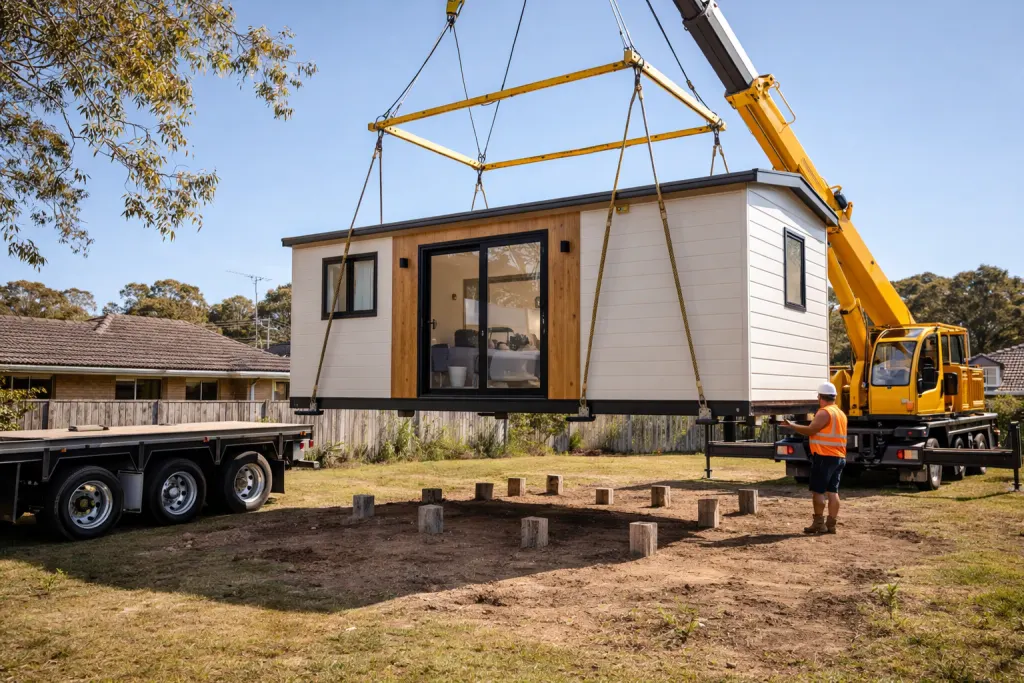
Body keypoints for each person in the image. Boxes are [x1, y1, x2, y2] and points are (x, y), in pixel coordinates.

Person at [782, 382, 847, 535]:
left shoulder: (824, 412)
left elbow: (811, 430)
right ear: (835, 397)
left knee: (818, 492)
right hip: (838, 456)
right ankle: (831, 524)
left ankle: (819, 523)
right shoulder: (840, 413)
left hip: (824, 456)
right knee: (833, 491)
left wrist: (792, 425)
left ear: (819, 397)